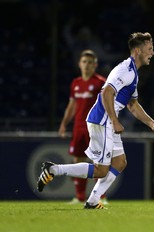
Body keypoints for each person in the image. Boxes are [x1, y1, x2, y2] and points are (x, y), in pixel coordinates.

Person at [38, 32, 154, 209]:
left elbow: (133, 104)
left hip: (106, 120)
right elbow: (106, 92)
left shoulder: (133, 74)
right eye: (149, 49)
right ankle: (53, 169)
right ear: (137, 51)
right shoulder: (125, 70)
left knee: (120, 162)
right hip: (103, 120)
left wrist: (153, 124)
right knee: (101, 170)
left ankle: (92, 201)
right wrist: (114, 120)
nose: (152, 53)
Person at [58, 49, 108, 205]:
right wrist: (64, 123)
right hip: (78, 128)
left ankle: (100, 197)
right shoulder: (76, 83)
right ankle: (79, 197)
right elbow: (72, 106)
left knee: (98, 163)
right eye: (84, 62)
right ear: (79, 64)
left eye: (90, 62)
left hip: (95, 128)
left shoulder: (101, 83)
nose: (87, 65)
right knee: (78, 161)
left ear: (95, 65)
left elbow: (108, 104)